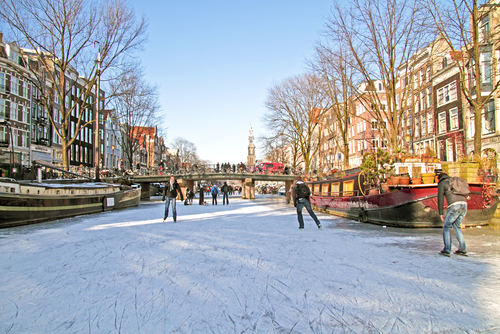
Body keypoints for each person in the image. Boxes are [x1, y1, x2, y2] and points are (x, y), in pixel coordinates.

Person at [437, 172, 468, 257]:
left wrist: (440, 213)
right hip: (464, 205)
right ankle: (462, 249)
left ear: (439, 178)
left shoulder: (442, 183)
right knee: (456, 226)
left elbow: (440, 198)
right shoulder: (454, 182)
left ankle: (447, 250)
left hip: (454, 206)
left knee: (446, 227)